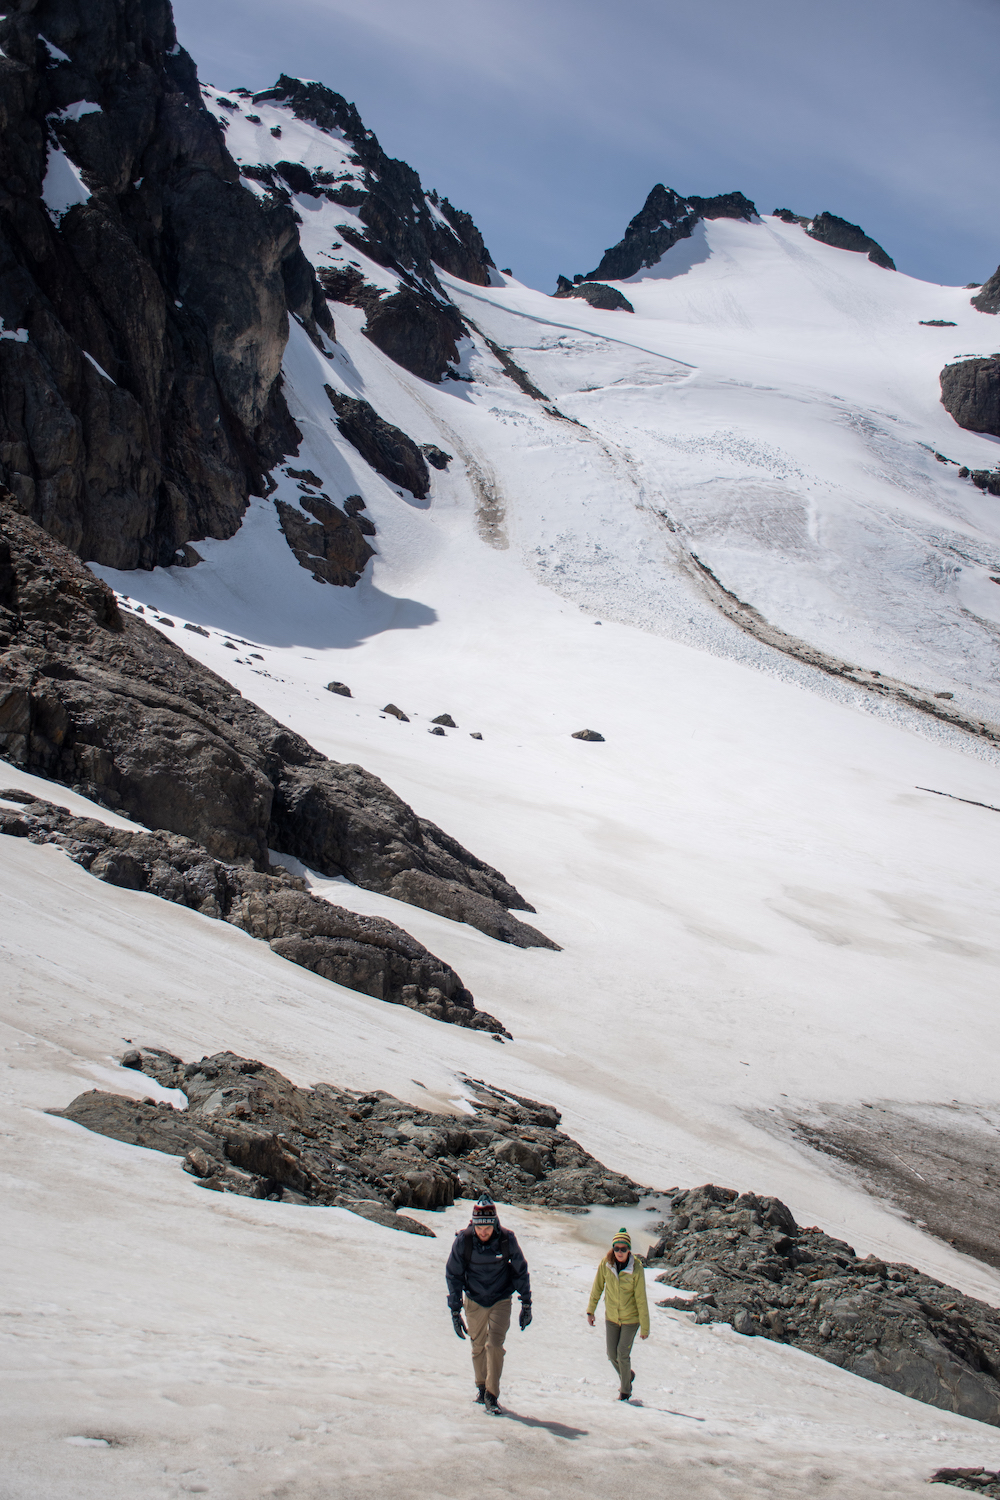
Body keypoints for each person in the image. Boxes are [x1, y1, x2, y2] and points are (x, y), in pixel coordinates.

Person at [446, 1195, 532, 1414]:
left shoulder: (506, 1239)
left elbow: (521, 1270)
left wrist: (526, 1303)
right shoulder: (463, 1240)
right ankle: (482, 1387)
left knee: (493, 1345)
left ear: (494, 1223)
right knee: (477, 1346)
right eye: (478, 1226)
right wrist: (456, 1310)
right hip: (474, 1300)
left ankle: (492, 1395)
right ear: (473, 1223)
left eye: (487, 1226)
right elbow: (453, 1275)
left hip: (500, 1299)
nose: (483, 1232)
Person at [586, 1227, 649, 1401]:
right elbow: (597, 1287)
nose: (620, 1252)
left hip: (631, 1319)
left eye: (623, 1249)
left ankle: (625, 1391)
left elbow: (641, 1299)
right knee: (611, 1355)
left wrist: (645, 1326)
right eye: (617, 1248)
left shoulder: (636, 1268)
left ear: (629, 1250)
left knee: (622, 1353)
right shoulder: (606, 1264)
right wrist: (591, 1310)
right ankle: (627, 1375)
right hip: (612, 1317)